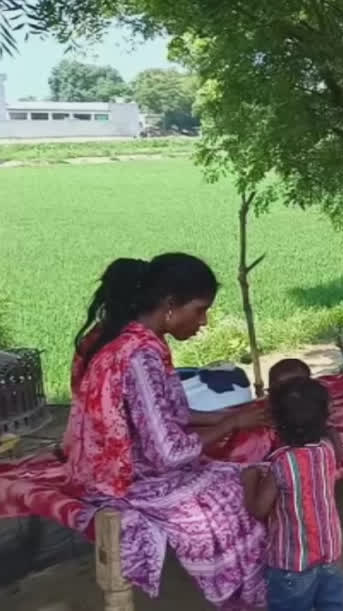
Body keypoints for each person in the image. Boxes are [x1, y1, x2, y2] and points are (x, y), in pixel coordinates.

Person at [63, 253, 268, 607]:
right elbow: (167, 453)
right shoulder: (140, 357)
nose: (203, 321)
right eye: (200, 309)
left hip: (102, 473)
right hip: (123, 484)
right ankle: (249, 598)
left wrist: (231, 413)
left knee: (239, 467)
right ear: (170, 305)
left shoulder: (122, 340)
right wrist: (231, 423)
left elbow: (163, 413)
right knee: (251, 483)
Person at [242, 376, 343, 611]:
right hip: (330, 554)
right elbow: (333, 438)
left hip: (292, 563)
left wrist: (249, 480)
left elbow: (259, 509)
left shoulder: (283, 462)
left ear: (276, 424)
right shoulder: (327, 451)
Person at [267, 358, 343, 467]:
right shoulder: (273, 406)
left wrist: (338, 452)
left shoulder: (313, 408)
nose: (289, 393)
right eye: (278, 389)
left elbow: (329, 428)